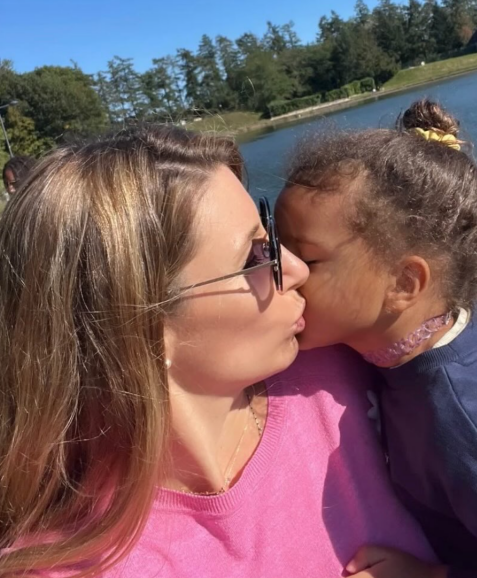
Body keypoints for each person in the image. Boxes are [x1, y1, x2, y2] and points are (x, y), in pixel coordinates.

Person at [0, 125, 434, 577]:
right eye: (253, 257)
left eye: (269, 235)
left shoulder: (345, 365)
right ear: (142, 331)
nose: (298, 267)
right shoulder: (73, 565)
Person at [275, 99, 477, 578]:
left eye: (306, 259)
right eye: (274, 248)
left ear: (404, 284)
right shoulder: (447, 324)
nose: (281, 271)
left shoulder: (468, 432)